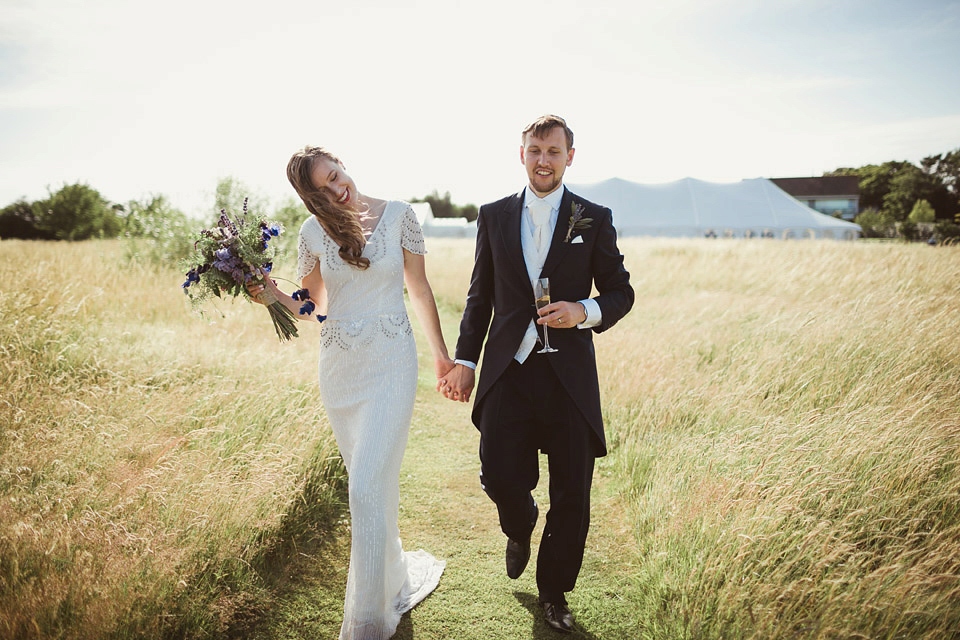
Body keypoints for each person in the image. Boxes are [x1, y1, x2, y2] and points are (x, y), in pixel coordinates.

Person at [439, 115, 634, 633]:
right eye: (534, 150)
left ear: (570, 156)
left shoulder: (593, 216)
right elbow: (480, 296)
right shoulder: (493, 216)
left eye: (553, 151)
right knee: (499, 474)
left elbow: (621, 292)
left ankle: (554, 593)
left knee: (572, 492)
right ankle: (520, 519)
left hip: (569, 378)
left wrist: (583, 311)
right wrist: (466, 361)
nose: (543, 160)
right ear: (520, 153)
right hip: (510, 371)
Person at [249, 146, 452, 640]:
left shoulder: (400, 216)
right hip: (340, 368)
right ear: (310, 197)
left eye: (336, 175)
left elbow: (419, 289)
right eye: (323, 189)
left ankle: (365, 625)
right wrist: (268, 293)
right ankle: (392, 577)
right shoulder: (312, 233)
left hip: (391, 362)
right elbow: (313, 305)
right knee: (371, 485)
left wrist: (443, 358)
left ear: (343, 164)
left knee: (363, 488)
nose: (338, 189)